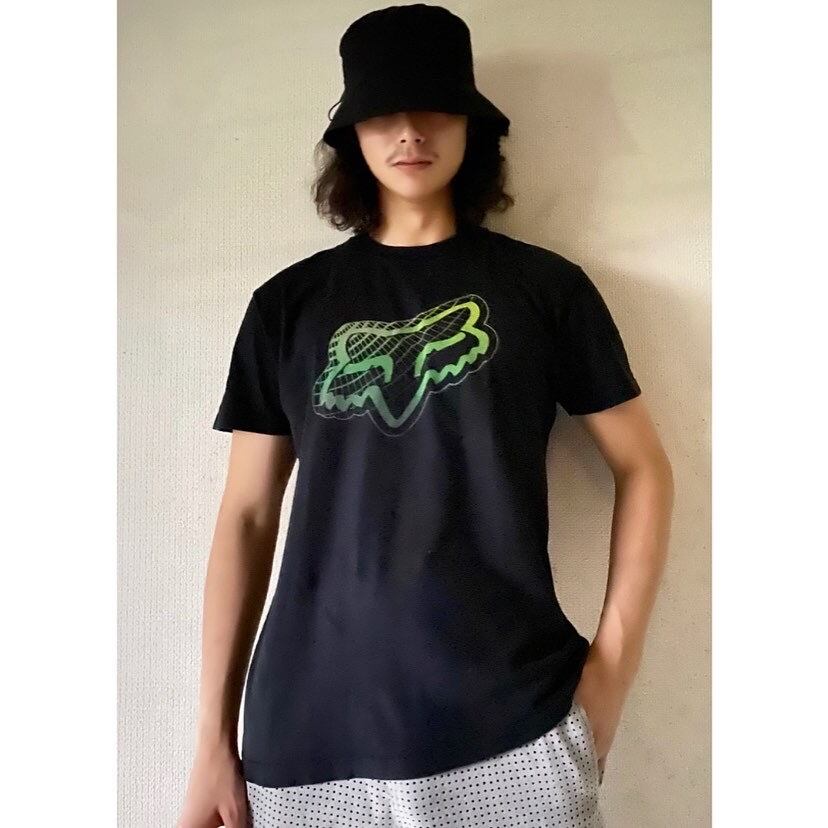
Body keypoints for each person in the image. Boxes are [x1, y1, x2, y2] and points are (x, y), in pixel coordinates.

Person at [178, 5, 674, 827]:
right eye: (383, 112)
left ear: (473, 125)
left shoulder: (545, 290)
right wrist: (210, 744)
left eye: (435, 108)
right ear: (352, 134)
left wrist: (610, 679)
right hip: (307, 736)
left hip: (513, 727)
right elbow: (247, 515)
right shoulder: (288, 307)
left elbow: (644, 466)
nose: (410, 131)